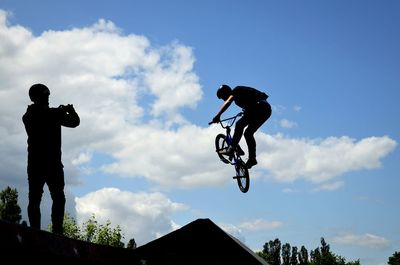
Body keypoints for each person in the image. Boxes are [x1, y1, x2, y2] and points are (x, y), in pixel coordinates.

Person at [22, 83, 80, 234]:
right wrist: (65, 111)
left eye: (48, 95)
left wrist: (69, 112)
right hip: (40, 164)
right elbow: (71, 121)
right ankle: (40, 231)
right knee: (36, 199)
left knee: (57, 198)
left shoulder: (49, 114)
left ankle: (56, 232)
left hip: (50, 163)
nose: (47, 97)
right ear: (36, 97)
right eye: (44, 95)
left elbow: (75, 123)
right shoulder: (33, 115)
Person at [211, 84, 271, 169]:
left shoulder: (236, 90)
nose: (223, 99)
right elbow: (250, 101)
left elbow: (228, 102)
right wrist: (245, 111)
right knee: (248, 133)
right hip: (265, 110)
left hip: (259, 107)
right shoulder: (239, 98)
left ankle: (232, 148)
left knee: (239, 125)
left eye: (223, 97)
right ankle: (252, 159)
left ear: (226, 93)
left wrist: (218, 115)